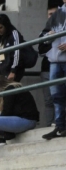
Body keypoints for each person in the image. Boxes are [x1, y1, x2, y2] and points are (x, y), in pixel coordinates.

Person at [0, 75, 39, 159]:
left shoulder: (11, 89)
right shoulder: (12, 87)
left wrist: (0, 130)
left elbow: (7, 111)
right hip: (21, 118)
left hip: (27, 120)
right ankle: (0, 138)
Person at [42, 0, 66, 139]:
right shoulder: (56, 14)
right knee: (56, 97)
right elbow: (44, 37)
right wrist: (49, 36)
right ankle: (60, 126)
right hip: (55, 61)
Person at [0, 14, 27, 82]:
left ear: (6, 25)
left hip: (12, 69)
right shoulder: (0, 37)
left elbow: (17, 52)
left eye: (0, 27)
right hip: (3, 69)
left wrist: (13, 71)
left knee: (10, 90)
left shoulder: (14, 33)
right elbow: (3, 53)